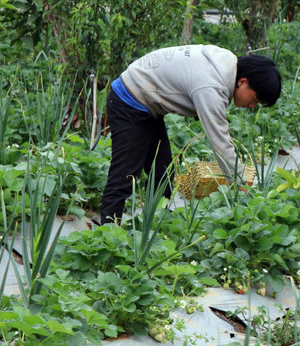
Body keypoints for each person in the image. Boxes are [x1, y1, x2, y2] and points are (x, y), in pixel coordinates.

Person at [100, 45, 281, 225]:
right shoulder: (212, 85)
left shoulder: (226, 62)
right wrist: (240, 183)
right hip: (129, 100)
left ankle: (153, 225)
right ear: (242, 82)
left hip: (148, 103)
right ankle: (107, 235)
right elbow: (220, 144)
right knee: (125, 175)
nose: (252, 106)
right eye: (255, 99)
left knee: (162, 173)